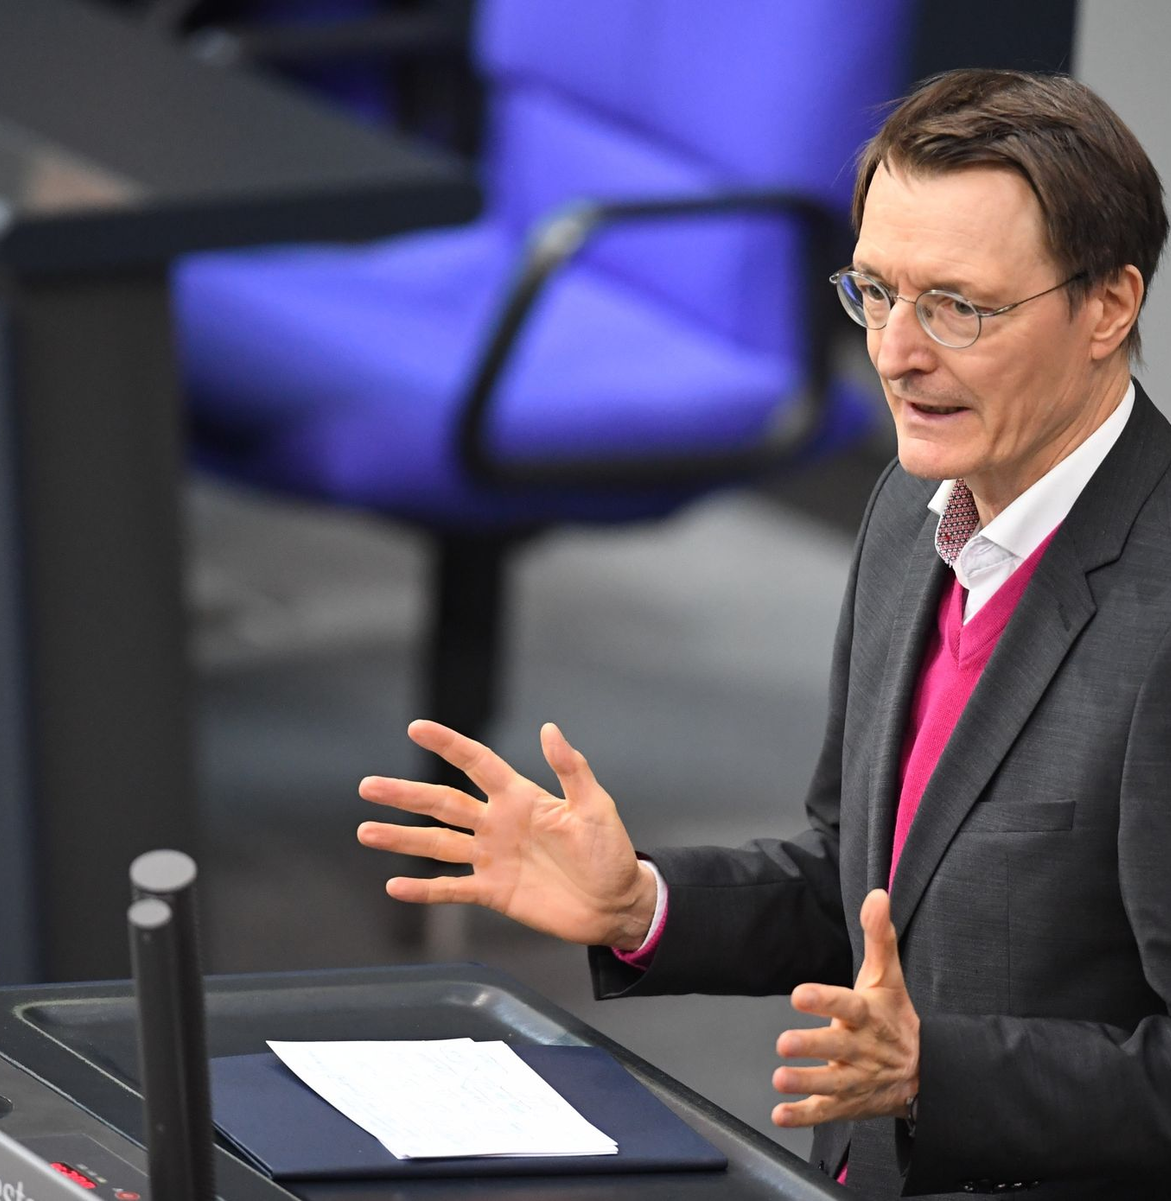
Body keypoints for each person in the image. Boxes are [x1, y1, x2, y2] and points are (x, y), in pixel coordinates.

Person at [355, 68, 1171, 1198]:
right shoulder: (914, 511)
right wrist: (642, 904)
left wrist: (935, 1075)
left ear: (1109, 307)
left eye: (957, 306)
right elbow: (862, 883)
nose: (896, 352)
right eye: (876, 292)